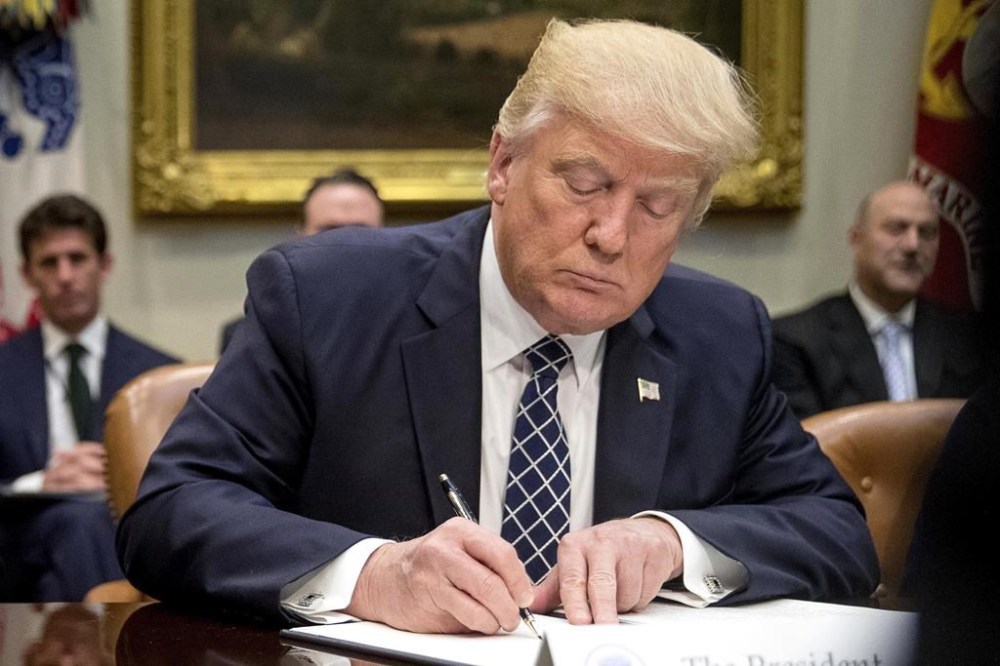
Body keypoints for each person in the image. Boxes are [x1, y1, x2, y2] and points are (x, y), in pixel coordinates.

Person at [118, 19, 878, 632]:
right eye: (584, 183)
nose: (611, 234)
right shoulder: (325, 299)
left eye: (657, 207)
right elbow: (171, 511)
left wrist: (671, 544)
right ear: (503, 164)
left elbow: (837, 533)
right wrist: (374, 574)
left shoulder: (719, 334)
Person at [0, 194, 178, 601]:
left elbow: (181, 483)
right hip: (21, 545)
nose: (65, 276)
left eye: (77, 258)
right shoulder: (4, 368)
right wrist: (38, 482)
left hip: (121, 537)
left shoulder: (159, 375)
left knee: (84, 531)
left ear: (105, 265)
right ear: (27, 275)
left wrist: (114, 479)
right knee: (76, 524)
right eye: (49, 262)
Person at [772, 181, 985, 418]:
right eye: (896, 228)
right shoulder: (797, 341)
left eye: (926, 232)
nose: (913, 245)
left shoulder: (970, 337)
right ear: (856, 239)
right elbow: (800, 444)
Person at [218, 167, 384, 353]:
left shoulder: (413, 327)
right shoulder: (251, 335)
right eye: (329, 232)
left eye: (360, 232)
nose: (344, 244)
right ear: (300, 238)